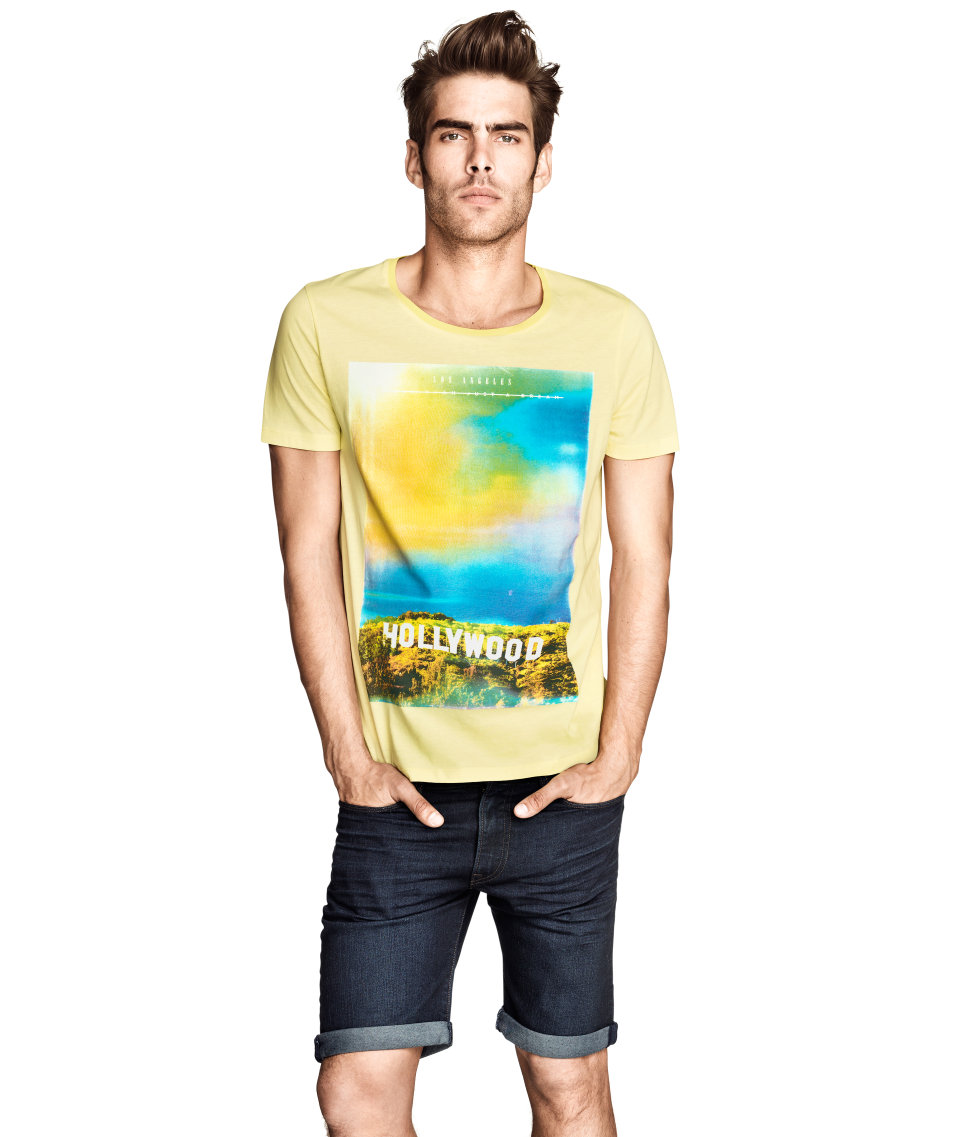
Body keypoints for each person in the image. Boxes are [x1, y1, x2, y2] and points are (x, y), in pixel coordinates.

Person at [260, 10, 679, 1135]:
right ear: (415, 158)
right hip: (396, 795)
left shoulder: (614, 333)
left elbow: (646, 559)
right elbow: (304, 552)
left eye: (507, 135)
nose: (481, 159)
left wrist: (619, 752)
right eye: (454, 134)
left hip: (563, 793)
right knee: (356, 1091)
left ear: (543, 161)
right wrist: (347, 752)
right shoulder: (325, 323)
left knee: (567, 1086)